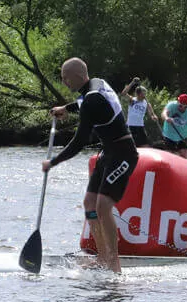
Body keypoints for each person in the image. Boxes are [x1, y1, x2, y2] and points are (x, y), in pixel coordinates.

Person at [42, 58, 138, 273]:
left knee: (103, 205)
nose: (65, 82)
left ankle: (114, 262)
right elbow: (83, 101)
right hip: (108, 153)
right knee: (89, 204)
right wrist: (65, 108)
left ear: (77, 76)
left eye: (66, 78)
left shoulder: (91, 101)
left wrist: (53, 162)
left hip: (123, 154)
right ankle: (102, 256)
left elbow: (78, 142)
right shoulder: (97, 84)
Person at [121, 77, 158, 147]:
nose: (145, 95)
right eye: (143, 93)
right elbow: (123, 93)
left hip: (140, 127)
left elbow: (152, 114)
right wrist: (132, 83)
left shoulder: (147, 103)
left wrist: (154, 117)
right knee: (131, 146)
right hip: (130, 126)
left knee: (145, 146)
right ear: (138, 94)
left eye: (145, 93)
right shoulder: (132, 100)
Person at [161, 93, 187, 159]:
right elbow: (164, 113)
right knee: (169, 156)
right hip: (169, 135)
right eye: (180, 106)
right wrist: (166, 118)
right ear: (178, 102)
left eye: (185, 107)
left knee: (184, 155)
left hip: (183, 137)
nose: (182, 108)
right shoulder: (171, 105)